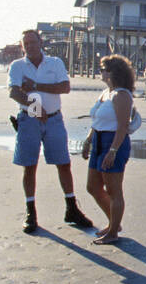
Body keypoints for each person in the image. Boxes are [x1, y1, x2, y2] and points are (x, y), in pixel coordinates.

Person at [8, 29, 91, 234]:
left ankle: (71, 208)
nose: (30, 46)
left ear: (40, 42)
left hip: (54, 119)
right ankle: (31, 212)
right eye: (26, 43)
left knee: (64, 163)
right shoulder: (17, 66)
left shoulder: (55, 63)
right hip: (28, 120)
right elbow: (14, 92)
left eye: (33, 42)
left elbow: (65, 87)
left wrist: (36, 85)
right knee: (30, 166)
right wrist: (36, 109)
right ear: (22, 46)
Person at [81, 54, 135, 245]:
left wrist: (112, 151)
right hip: (98, 140)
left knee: (114, 190)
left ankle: (113, 232)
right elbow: (97, 121)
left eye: (103, 69)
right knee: (93, 187)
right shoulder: (106, 93)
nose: (100, 72)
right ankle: (114, 223)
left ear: (113, 72)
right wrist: (88, 141)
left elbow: (122, 127)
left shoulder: (122, 95)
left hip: (114, 142)